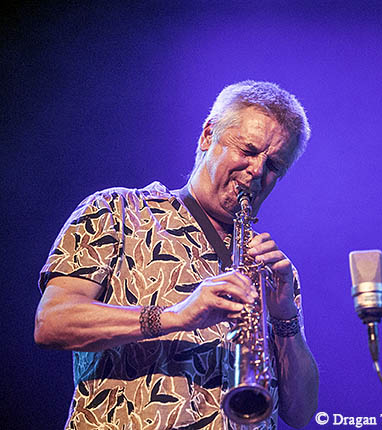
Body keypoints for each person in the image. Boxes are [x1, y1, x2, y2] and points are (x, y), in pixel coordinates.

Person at [35, 80, 319, 429]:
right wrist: (176, 316)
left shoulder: (272, 271)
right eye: (248, 150)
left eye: (274, 165)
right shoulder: (117, 210)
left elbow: (301, 413)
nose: (258, 171)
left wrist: (286, 316)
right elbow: (52, 322)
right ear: (208, 135)